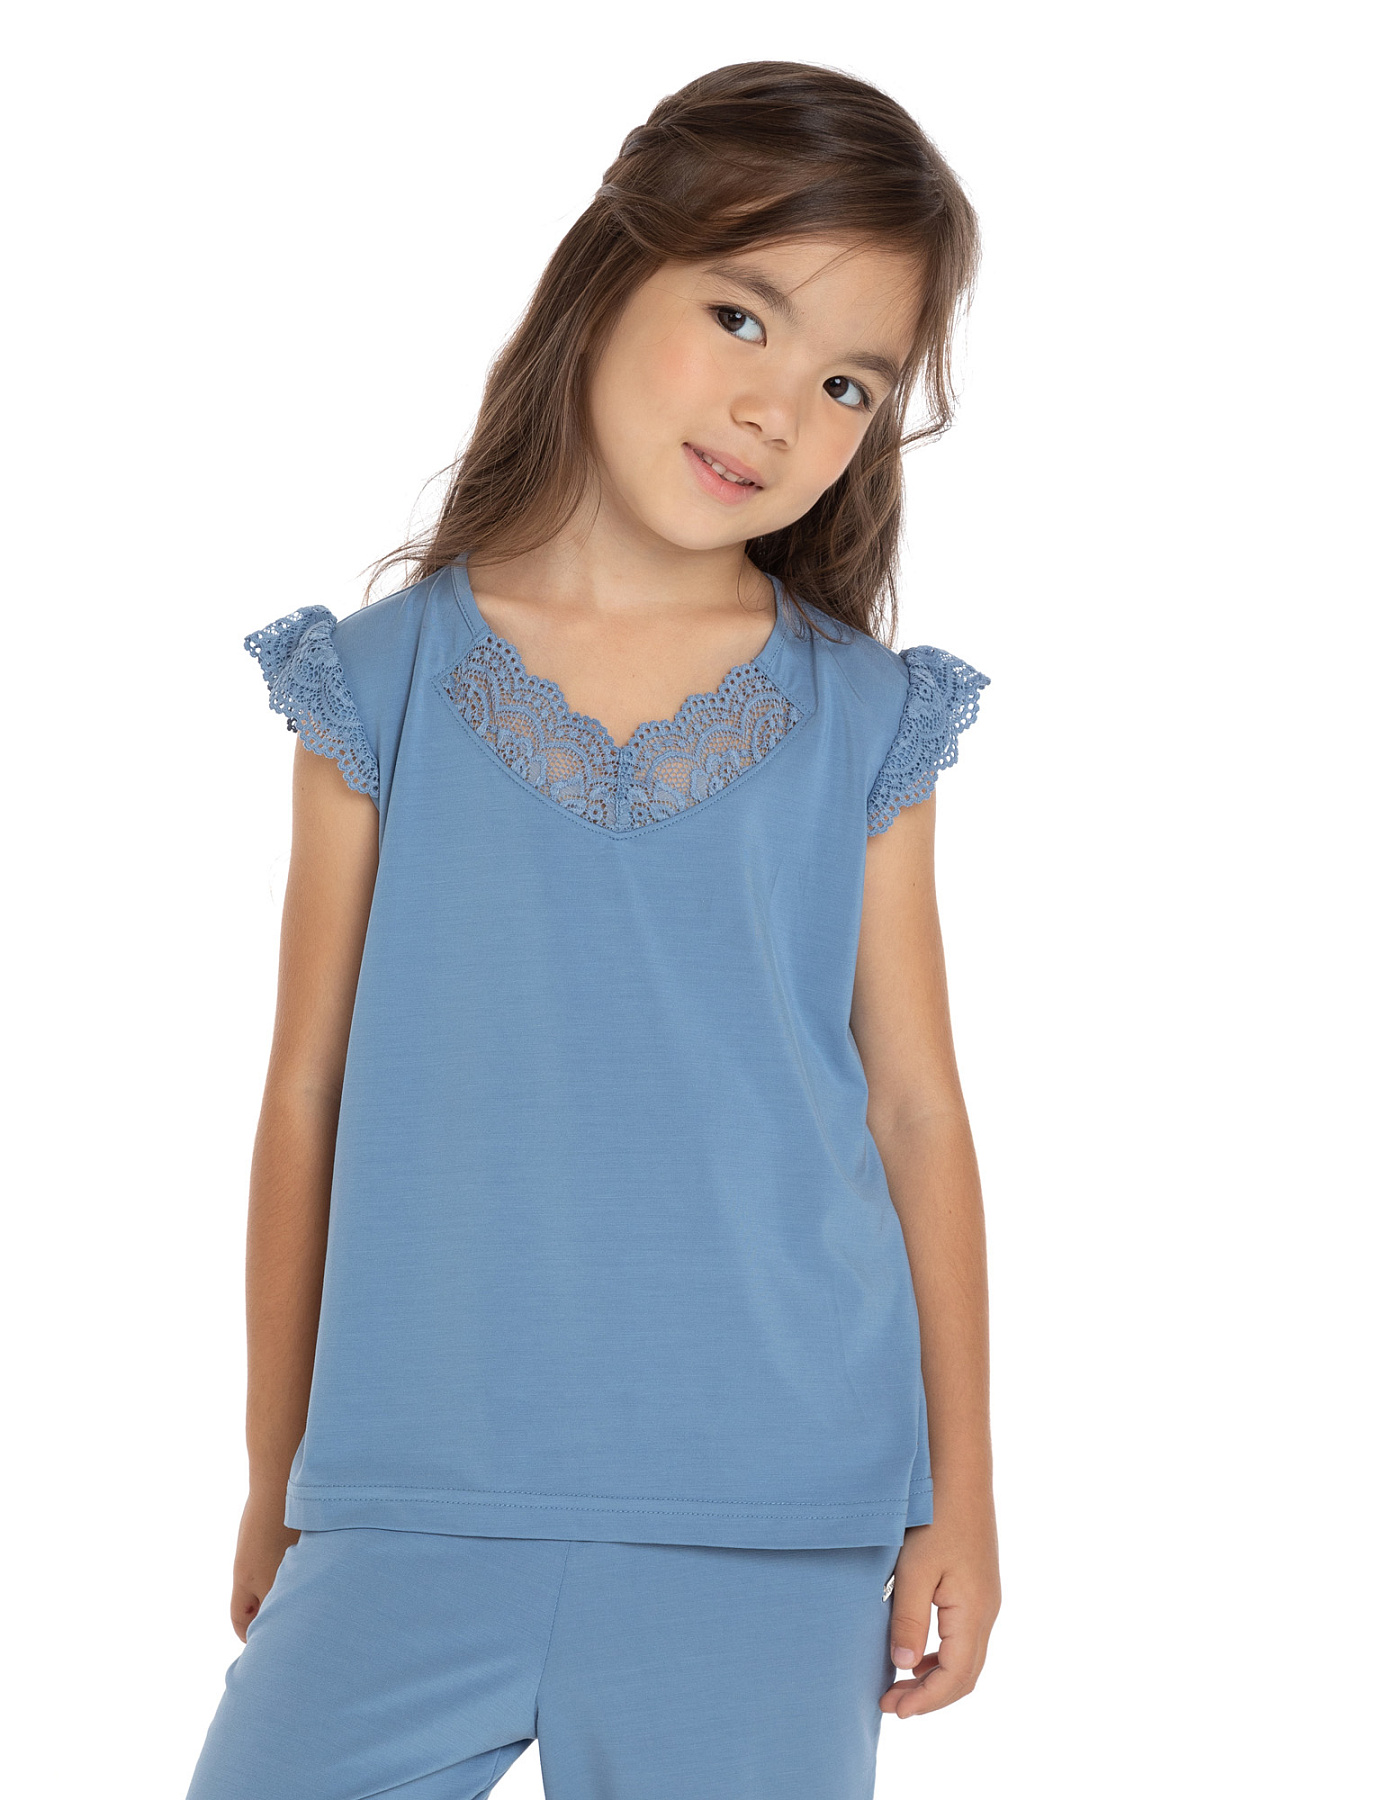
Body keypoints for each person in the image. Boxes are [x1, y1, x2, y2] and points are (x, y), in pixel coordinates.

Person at [185, 58, 1001, 1800]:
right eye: (740, 316)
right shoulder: (377, 686)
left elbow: (914, 1109)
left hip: (776, 1514)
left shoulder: (864, 721)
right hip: (408, 1495)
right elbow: (307, 1093)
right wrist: (276, 1475)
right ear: (607, 268)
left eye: (846, 383)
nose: (774, 411)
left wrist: (964, 1494)